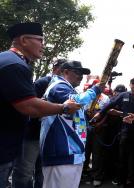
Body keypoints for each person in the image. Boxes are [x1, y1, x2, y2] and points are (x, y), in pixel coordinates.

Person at [0, 22, 80, 187]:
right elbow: (30, 106)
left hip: (10, 142)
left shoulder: (11, 61)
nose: (43, 45)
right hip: (6, 144)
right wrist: (63, 107)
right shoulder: (14, 64)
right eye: (40, 40)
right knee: (24, 173)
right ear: (23, 40)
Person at [40, 61, 103, 188]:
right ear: (66, 72)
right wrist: (95, 90)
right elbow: (76, 102)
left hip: (72, 154)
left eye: (82, 74)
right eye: (77, 72)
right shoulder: (58, 86)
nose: (80, 76)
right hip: (60, 154)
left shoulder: (69, 88)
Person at [11, 58, 67, 188]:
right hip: (33, 134)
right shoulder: (43, 82)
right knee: (24, 171)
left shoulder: (64, 86)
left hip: (48, 136)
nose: (65, 71)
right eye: (63, 68)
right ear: (55, 68)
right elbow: (30, 107)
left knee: (42, 172)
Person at [92, 77, 134, 187]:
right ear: (130, 85)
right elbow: (110, 105)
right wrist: (100, 113)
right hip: (125, 131)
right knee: (122, 157)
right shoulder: (123, 95)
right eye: (132, 83)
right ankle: (122, 180)